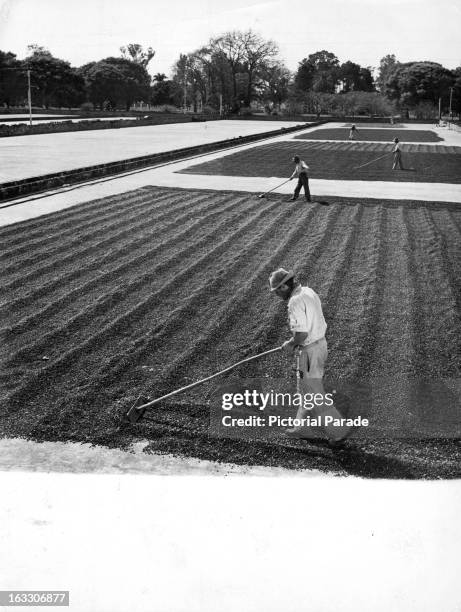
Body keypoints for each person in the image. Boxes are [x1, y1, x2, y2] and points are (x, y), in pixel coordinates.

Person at [269, 268, 351, 445]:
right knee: (306, 390)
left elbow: (301, 335)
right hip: (320, 345)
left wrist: (290, 344)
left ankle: (338, 431)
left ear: (283, 287)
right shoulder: (308, 291)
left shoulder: (294, 302)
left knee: (313, 393)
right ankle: (301, 428)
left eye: (276, 291)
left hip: (309, 350)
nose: (276, 295)